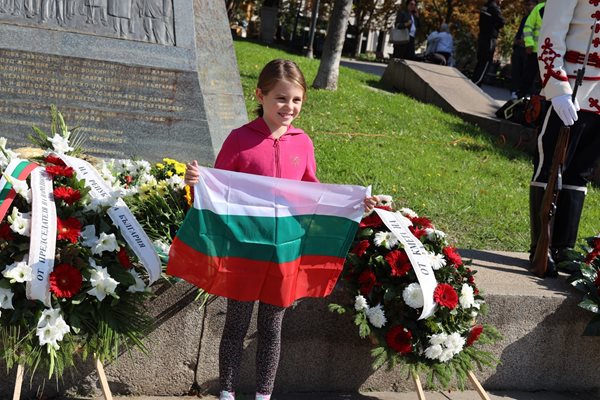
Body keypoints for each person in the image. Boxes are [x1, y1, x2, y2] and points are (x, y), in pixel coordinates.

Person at [184, 59, 378, 400]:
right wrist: (197, 182)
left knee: (272, 328)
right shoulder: (239, 139)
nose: (289, 107)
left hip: (285, 251)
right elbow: (220, 190)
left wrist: (353, 206)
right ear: (260, 95)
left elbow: (314, 194)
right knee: (236, 324)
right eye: (280, 99)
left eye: (296, 100)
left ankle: (263, 394)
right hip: (244, 248)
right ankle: (226, 393)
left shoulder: (303, 143)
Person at [529, 0, 600, 277]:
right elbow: (551, 35)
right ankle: (540, 247)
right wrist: (556, 87)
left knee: (580, 173)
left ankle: (564, 249)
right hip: (571, 88)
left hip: (597, 96)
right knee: (551, 167)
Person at [471, 0, 505, 86]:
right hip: (490, 38)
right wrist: (496, 25)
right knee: (486, 62)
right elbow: (502, 21)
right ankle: (478, 82)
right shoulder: (494, 8)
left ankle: (474, 79)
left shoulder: (485, 6)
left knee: (480, 60)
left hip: (482, 36)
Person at [510, 0, 538, 99]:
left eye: (529, 5)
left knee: (528, 74)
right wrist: (516, 41)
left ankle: (525, 94)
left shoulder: (539, 17)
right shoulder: (525, 18)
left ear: (535, 5)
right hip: (519, 48)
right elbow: (520, 32)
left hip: (529, 50)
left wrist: (527, 42)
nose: (527, 7)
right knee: (516, 71)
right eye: (526, 5)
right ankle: (514, 91)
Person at [520, 1, 545, 97]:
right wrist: (529, 44)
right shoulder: (539, 7)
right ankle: (520, 96)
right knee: (528, 76)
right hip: (534, 50)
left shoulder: (561, 10)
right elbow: (528, 27)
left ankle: (538, 100)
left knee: (544, 79)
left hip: (550, 53)